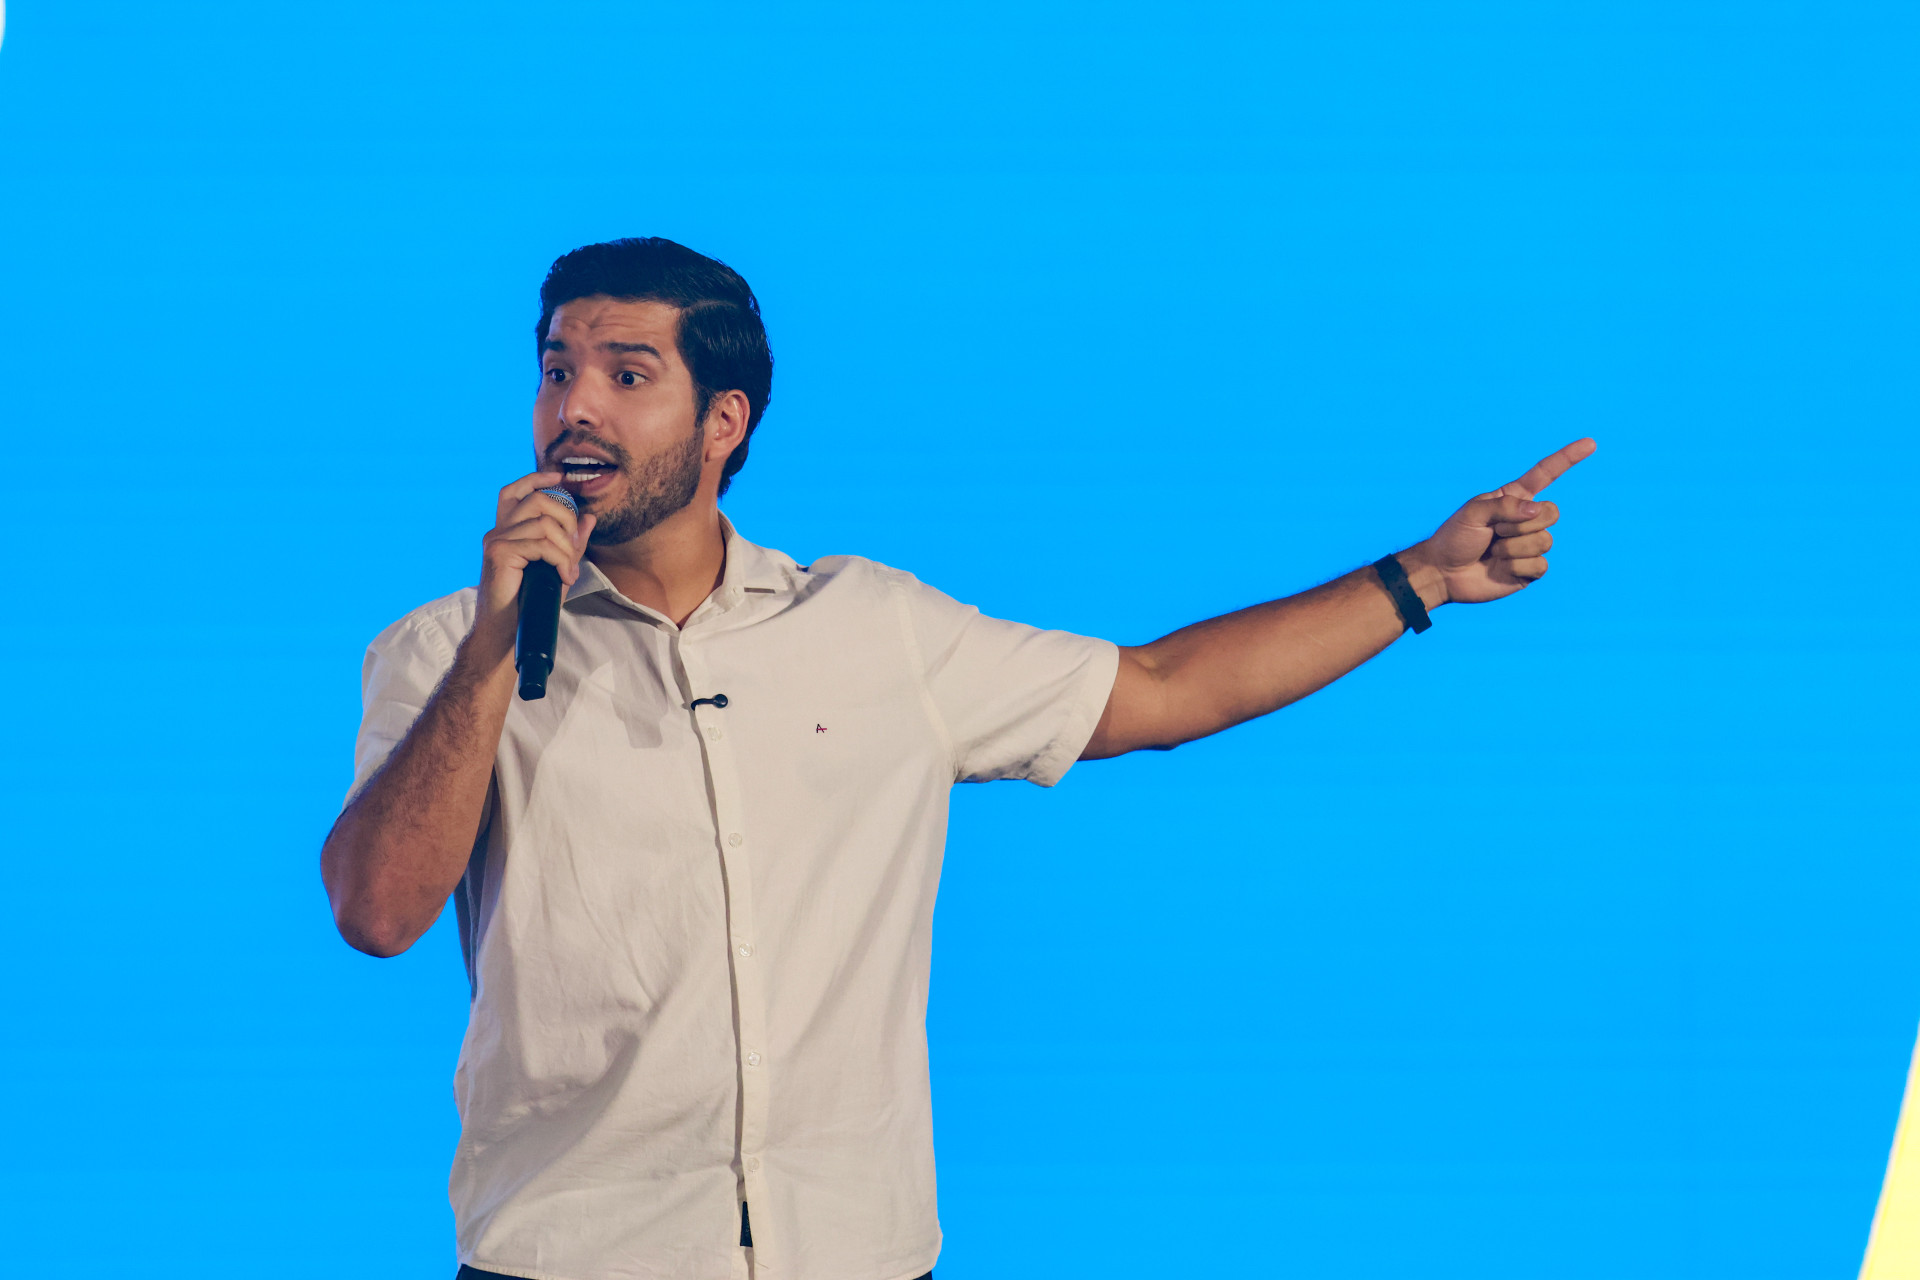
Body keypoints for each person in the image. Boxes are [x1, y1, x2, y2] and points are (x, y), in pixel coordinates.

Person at [321, 236, 1595, 1280]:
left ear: (723, 420)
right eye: (557, 371)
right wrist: (492, 651)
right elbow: (378, 913)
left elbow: (1163, 687)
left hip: (856, 1251)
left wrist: (1419, 578)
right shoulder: (443, 650)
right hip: (570, 1257)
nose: (575, 409)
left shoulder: (872, 629)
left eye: (625, 372)